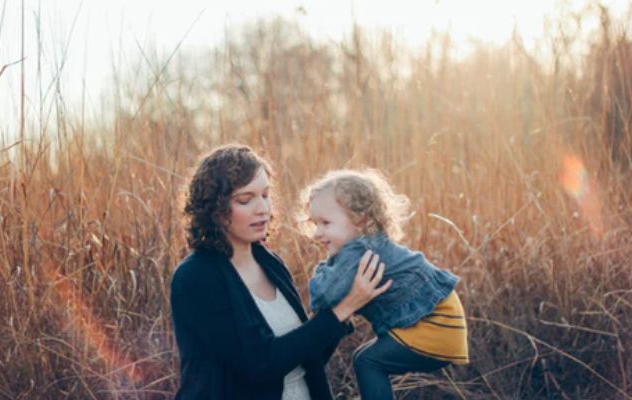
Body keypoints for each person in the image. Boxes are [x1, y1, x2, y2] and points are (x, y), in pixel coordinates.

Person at [170, 144, 392, 400]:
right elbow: (260, 364)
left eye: (265, 195)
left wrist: (345, 307)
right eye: (245, 199)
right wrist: (342, 308)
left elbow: (307, 358)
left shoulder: (270, 262)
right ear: (215, 209)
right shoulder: (196, 276)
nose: (262, 208)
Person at [301, 169, 469, 400]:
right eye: (314, 223)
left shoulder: (358, 251)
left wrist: (321, 268)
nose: (317, 233)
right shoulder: (370, 244)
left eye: (325, 223)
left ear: (360, 221)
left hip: (434, 326)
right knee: (365, 355)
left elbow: (322, 297)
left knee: (368, 362)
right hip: (444, 322)